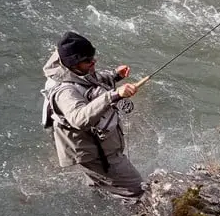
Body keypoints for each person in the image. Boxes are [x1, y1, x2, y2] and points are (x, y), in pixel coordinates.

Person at [42, 31, 144, 198]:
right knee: (137, 189)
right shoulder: (64, 92)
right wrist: (115, 94)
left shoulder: (75, 71)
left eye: (92, 57)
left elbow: (90, 82)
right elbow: (78, 118)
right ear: (72, 64)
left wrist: (115, 76)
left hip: (96, 148)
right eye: (88, 61)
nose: (93, 62)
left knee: (101, 187)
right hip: (96, 154)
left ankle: (102, 198)